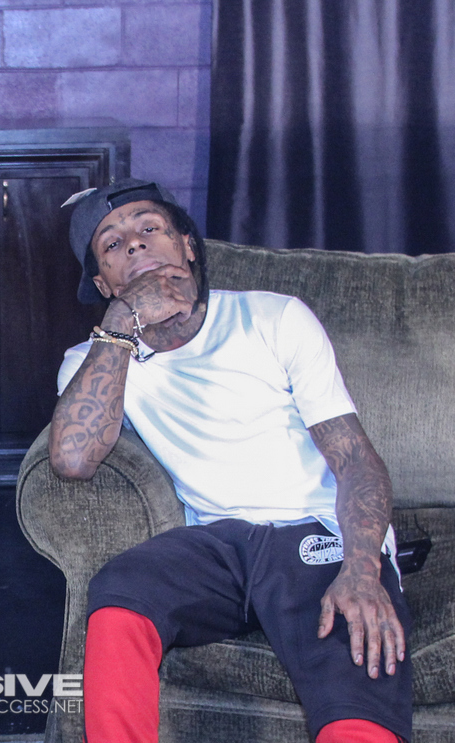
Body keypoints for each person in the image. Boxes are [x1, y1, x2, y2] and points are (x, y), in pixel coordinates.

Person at [49, 179, 412, 742]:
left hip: (316, 533)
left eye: (149, 228)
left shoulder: (273, 318)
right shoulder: (95, 358)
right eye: (113, 244)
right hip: (217, 545)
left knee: (358, 689)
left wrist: (363, 567)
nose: (136, 244)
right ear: (104, 283)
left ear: (187, 246)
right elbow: (72, 460)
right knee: (120, 591)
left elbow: (355, 459)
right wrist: (120, 324)